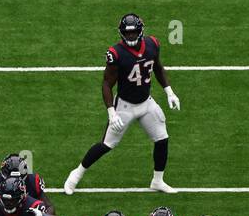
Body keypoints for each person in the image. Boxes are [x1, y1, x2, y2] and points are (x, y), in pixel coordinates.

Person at [63, 13, 180, 195]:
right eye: (128, 33)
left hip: (146, 102)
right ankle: (75, 175)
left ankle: (157, 181)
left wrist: (169, 91)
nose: (131, 36)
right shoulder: (116, 53)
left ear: (141, 31)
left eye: (134, 33)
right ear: (122, 33)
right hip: (124, 106)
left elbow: (157, 67)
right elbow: (107, 83)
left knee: (162, 139)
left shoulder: (153, 44)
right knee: (107, 144)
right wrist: (111, 111)